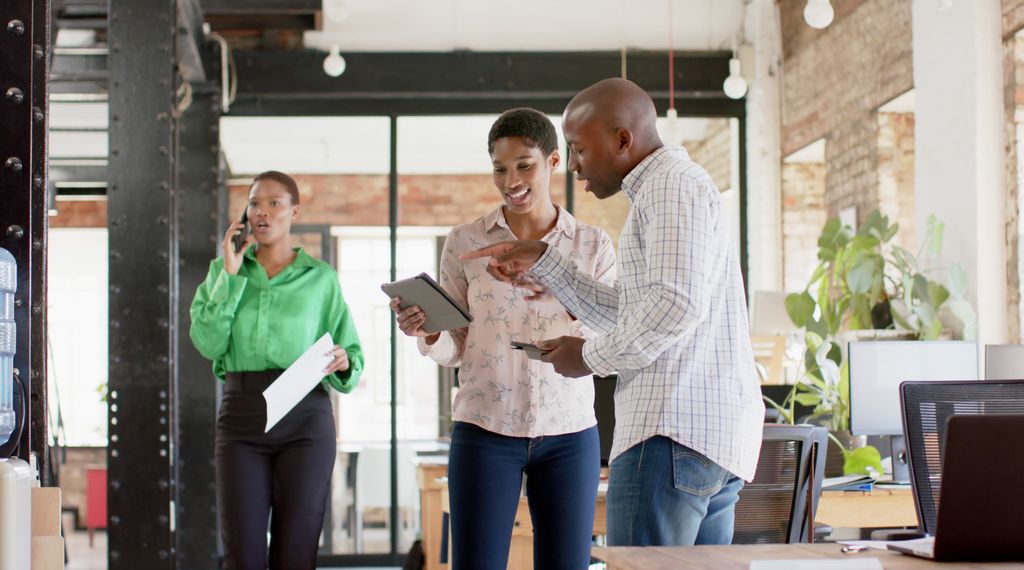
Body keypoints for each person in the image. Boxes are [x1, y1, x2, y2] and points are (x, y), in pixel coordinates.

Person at [462, 78, 765, 547]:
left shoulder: (669, 187)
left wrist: (589, 358)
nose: (576, 167)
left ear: (623, 139)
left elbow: (674, 305)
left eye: (579, 150)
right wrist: (545, 261)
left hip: (670, 432)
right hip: (703, 439)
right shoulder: (671, 188)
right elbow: (634, 310)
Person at [390, 108, 615, 569]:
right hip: (484, 428)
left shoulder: (593, 246)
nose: (510, 179)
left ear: (553, 161)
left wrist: (559, 288)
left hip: (569, 431)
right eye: (500, 168)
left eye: (524, 165)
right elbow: (457, 343)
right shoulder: (465, 242)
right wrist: (428, 328)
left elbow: (607, 337)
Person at [189, 170, 364, 570]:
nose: (262, 212)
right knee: (243, 555)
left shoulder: (321, 279)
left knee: (295, 553)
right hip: (241, 417)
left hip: (305, 419)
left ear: (294, 212)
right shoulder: (224, 271)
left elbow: (351, 349)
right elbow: (207, 343)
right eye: (254, 204)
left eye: (274, 203)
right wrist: (229, 276)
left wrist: (344, 359)